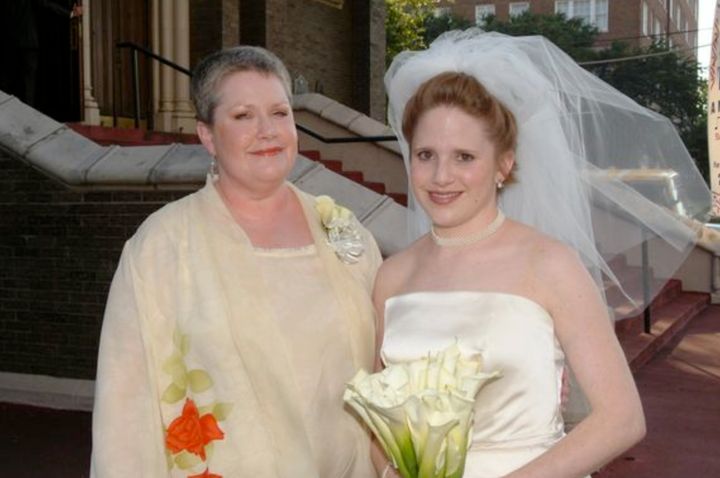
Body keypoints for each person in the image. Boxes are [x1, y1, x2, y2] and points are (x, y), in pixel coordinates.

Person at [374, 30, 707, 478]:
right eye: (426, 154)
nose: (440, 176)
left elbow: (622, 419)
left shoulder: (550, 264)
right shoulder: (392, 277)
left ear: (504, 164)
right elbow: (375, 422)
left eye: (465, 157)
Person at [91, 46, 382, 477]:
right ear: (207, 135)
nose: (267, 131)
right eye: (243, 116)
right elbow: (125, 412)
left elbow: (387, 376)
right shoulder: (162, 247)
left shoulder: (345, 231)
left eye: (280, 113)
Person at [0, 0, 82, 106]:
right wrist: (70, 13)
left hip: (6, 44)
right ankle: (27, 116)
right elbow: (46, 4)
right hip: (27, 43)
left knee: (5, 84)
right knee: (28, 85)